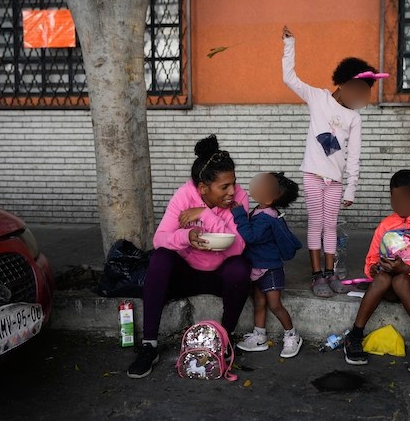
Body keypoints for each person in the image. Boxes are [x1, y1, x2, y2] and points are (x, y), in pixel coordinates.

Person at [127, 134, 251, 379]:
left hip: (220, 275)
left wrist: (204, 214)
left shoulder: (240, 199)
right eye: (224, 186)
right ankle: (149, 344)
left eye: (233, 183)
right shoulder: (184, 195)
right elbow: (160, 238)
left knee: (241, 266)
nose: (232, 191)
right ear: (203, 188)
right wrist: (187, 236)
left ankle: (224, 340)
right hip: (187, 273)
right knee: (160, 257)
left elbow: (238, 245)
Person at [282, 24, 387, 298]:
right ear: (343, 83)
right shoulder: (317, 98)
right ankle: (317, 276)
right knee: (316, 223)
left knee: (331, 225)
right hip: (313, 176)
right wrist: (290, 44)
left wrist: (351, 187)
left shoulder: (355, 118)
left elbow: (354, 155)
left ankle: (331, 274)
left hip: (336, 182)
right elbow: (290, 78)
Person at [343, 169, 410, 375]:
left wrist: (407, 268)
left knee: (401, 280)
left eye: (408, 200)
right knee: (382, 277)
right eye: (396, 200)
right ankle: (354, 336)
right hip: (391, 286)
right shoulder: (386, 224)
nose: (402, 206)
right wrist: (373, 268)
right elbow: (372, 256)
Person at [231, 172, 304, 358]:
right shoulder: (260, 210)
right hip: (257, 267)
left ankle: (292, 335)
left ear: (270, 197)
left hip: (270, 268)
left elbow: (251, 236)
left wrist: (238, 214)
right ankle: (259, 335)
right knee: (259, 302)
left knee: (274, 305)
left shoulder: (267, 217)